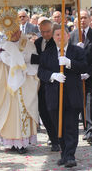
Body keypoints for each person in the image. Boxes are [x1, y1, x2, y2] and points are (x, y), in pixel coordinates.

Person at [0, 6, 39, 154]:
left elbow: (35, 62)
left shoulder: (28, 44)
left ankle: (22, 143)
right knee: (9, 114)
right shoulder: (3, 46)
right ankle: (10, 142)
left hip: (25, 85)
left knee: (23, 113)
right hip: (7, 87)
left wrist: (24, 64)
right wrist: (0, 59)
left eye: (16, 30)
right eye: (11, 32)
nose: (15, 34)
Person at [38, 23, 88, 168]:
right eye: (57, 35)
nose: (60, 37)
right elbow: (41, 72)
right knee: (58, 127)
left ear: (68, 35)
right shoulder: (47, 54)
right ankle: (64, 153)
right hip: (54, 96)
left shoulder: (77, 51)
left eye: (62, 34)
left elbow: (84, 66)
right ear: (53, 37)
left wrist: (69, 63)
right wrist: (52, 76)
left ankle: (70, 155)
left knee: (70, 126)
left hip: (72, 95)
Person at [69, 10, 92, 143]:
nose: (82, 21)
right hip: (76, 76)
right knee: (77, 103)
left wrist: (88, 72)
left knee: (90, 103)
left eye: (84, 18)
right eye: (80, 18)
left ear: (89, 19)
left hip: (91, 75)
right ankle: (79, 127)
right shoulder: (72, 35)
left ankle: (90, 131)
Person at [30, 19, 60, 151]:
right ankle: (52, 137)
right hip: (40, 82)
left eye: (48, 31)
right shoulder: (37, 42)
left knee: (54, 112)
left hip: (53, 83)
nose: (45, 34)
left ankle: (58, 139)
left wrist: (34, 59)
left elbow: (50, 60)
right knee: (43, 111)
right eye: (42, 32)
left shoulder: (57, 42)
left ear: (52, 30)